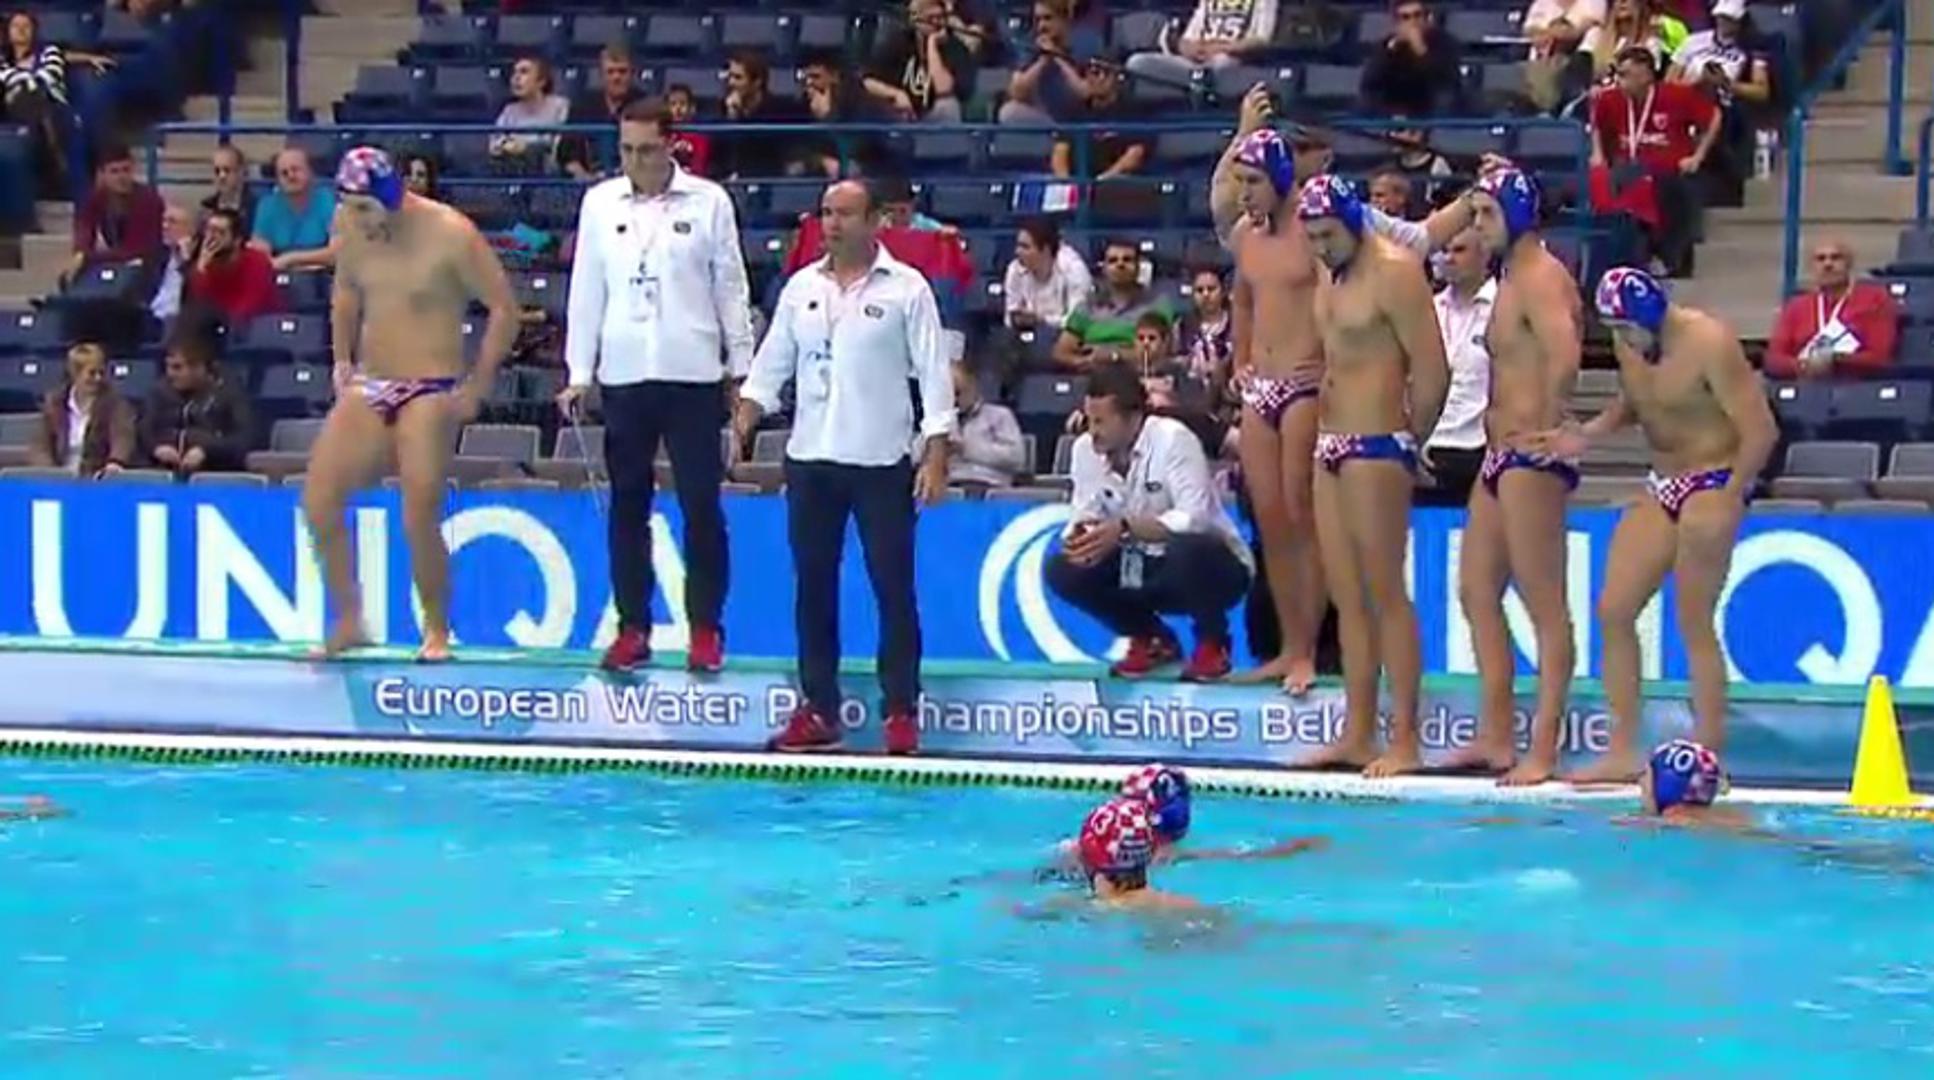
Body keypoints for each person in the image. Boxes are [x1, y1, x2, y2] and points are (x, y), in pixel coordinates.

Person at [1208, 89, 1478, 696]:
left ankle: (1312, 652)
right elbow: (1243, 298)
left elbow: (1412, 242)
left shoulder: (1321, 232)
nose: (1243, 194)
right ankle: (1291, 646)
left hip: (1310, 388)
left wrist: (1470, 202)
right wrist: (1242, 358)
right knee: (1271, 524)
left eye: (1253, 182)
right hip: (1262, 389)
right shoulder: (1247, 236)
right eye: (1241, 182)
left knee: (1305, 521)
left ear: (1283, 181)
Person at [1526, 268, 1776, 782]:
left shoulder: (1710, 342)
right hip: (1662, 483)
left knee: (1693, 620)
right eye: (1615, 329)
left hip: (1714, 479)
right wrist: (1588, 433)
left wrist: (1732, 494)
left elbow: (1761, 431)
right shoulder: (1630, 344)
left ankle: (1707, 752)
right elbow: (1638, 400)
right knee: (1614, 609)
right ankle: (1622, 749)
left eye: (1627, 328)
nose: (1621, 339)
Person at [734, 180, 954, 755]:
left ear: (875, 220)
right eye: (826, 213)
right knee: (813, 589)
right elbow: (772, 362)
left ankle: (901, 709)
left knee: (893, 590)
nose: (833, 223)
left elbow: (934, 375)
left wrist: (936, 454)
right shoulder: (801, 287)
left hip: (881, 463)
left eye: (846, 214)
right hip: (811, 461)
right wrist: (746, 415)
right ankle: (820, 709)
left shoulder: (908, 289)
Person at [560, 98, 757, 674]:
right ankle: (633, 627)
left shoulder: (709, 201)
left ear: (672, 143)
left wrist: (742, 369)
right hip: (624, 374)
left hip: (692, 372)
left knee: (701, 505)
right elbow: (586, 290)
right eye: (626, 150)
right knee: (627, 506)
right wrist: (579, 372)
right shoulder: (600, 203)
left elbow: (731, 286)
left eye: (646, 149)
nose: (636, 161)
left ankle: (705, 629)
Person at [302, 147, 518, 660]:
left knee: (419, 509)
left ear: (391, 198)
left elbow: (505, 309)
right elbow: (346, 292)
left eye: (364, 210)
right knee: (319, 500)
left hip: (430, 385)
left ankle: (436, 629)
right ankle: (349, 620)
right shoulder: (350, 225)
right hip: (372, 380)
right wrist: (341, 360)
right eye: (348, 209)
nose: (355, 222)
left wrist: (477, 386)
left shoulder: (451, 232)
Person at [1293, 175, 1450, 777]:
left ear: (1355, 223)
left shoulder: (1397, 272)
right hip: (1330, 442)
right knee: (1347, 597)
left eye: (1329, 236)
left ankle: (1404, 737)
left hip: (1379, 443)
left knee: (1385, 593)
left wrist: (1414, 438)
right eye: (1312, 238)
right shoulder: (1328, 271)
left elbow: (1432, 368)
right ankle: (1357, 733)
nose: (1321, 247)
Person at [1441, 169, 1583, 786]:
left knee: (1544, 606)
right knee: (1476, 590)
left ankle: (1543, 747)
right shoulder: (1510, 280)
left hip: (1531, 456)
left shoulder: (1543, 277)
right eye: (1474, 215)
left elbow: (1565, 354)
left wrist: (1549, 428)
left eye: (1487, 215)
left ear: (1519, 215)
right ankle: (1497, 736)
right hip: (1499, 454)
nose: (1476, 227)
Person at [1047, 363, 1254, 679]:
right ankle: (1151, 638)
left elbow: (1195, 519)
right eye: (1089, 419)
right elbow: (1085, 511)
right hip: (1140, 567)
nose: (1092, 431)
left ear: (1132, 418)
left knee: (1189, 547)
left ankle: (1213, 644)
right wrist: (1081, 537)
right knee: (1062, 568)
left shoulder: (1174, 439)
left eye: (1101, 421)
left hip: (1216, 569)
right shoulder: (1085, 450)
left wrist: (1126, 528)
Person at [1418, 227, 1493, 509]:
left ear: (1485, 255)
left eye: (1459, 250)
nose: (1448, 258)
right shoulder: (1427, 309)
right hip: (1427, 447)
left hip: (1478, 449)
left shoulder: (1504, 309)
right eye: (1443, 250)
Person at [1764, 239, 1901, 379]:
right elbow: (1773, 360)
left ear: (1849, 265)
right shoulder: (1796, 307)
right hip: (1806, 382)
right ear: (1812, 267)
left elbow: (1879, 357)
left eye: (1836, 258)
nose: (1828, 264)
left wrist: (1836, 360)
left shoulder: (1875, 299)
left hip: (1855, 383)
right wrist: (1801, 365)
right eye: (1821, 259)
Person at [140, 336, 253, 476]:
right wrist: (156, 448)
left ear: (199, 368)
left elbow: (243, 439)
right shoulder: (158, 392)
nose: (170, 374)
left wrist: (206, 451)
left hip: (216, 473)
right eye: (167, 367)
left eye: (177, 368)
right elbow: (144, 429)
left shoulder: (228, 393)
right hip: (163, 471)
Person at [27, 341, 135, 477]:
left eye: (101, 373)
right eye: (92, 373)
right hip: (61, 477)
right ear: (75, 374)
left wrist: (115, 462)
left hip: (97, 478)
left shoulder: (115, 403)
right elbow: (40, 444)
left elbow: (122, 437)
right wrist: (50, 472)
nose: (98, 378)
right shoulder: (55, 403)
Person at [66, 142, 163, 282]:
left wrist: (90, 257)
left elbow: (137, 250)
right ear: (102, 174)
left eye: (126, 170)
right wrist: (81, 254)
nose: (121, 177)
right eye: (114, 172)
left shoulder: (148, 200)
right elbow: (84, 230)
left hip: (146, 266)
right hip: (116, 263)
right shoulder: (96, 198)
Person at [251, 146, 338, 270]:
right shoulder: (267, 206)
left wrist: (290, 259)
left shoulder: (327, 200)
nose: (290, 176)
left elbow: (336, 253)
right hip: (280, 274)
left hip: (323, 274)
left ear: (310, 172)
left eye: (296, 170)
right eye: (284, 173)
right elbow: (261, 255)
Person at [1002, 216, 1093, 333]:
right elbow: (1009, 318)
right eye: (1018, 246)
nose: (1017, 252)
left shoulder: (1074, 270)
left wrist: (1042, 320)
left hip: (1070, 336)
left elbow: (1078, 322)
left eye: (1025, 247)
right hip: (1028, 335)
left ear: (1046, 250)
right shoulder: (1015, 269)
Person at [949, 360, 1028, 488]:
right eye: (948, 394)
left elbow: (1016, 458)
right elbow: (916, 456)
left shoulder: (1000, 415)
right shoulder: (939, 421)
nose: (954, 400)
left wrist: (966, 448)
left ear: (973, 386)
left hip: (989, 484)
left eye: (958, 393)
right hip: (948, 486)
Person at [201, 145, 257, 236]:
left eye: (227, 170)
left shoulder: (257, 208)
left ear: (241, 172)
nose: (222, 176)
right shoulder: (206, 207)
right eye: (217, 171)